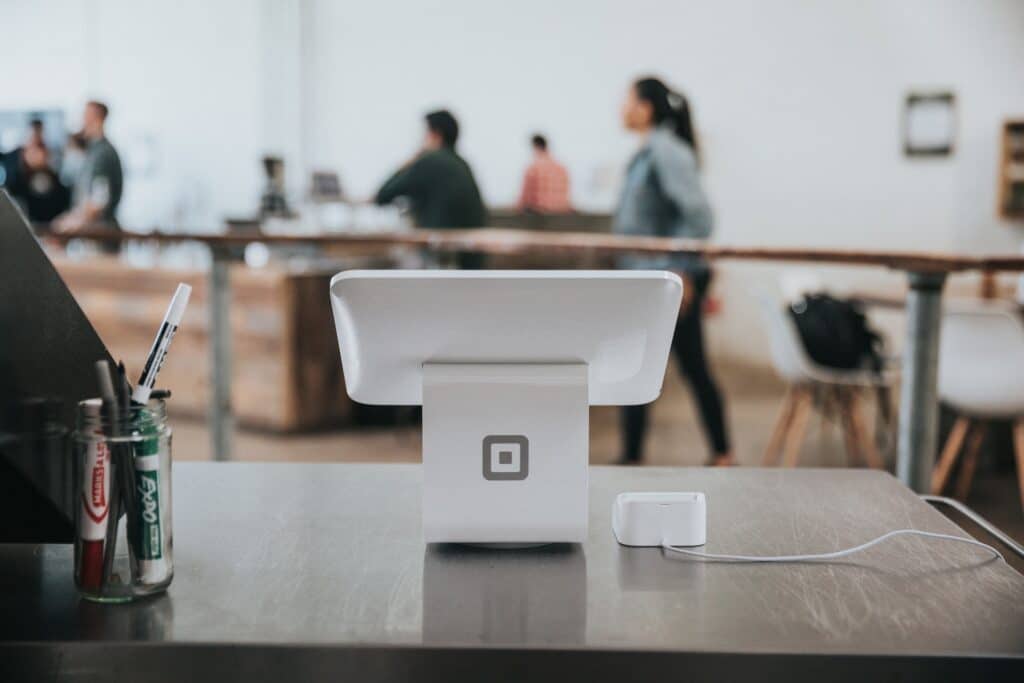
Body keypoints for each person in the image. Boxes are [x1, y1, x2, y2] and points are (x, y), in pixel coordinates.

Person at [614, 76, 733, 467]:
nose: (622, 108)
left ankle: (721, 452)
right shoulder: (650, 151)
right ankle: (634, 457)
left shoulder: (666, 150)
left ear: (645, 108)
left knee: (687, 367)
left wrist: (679, 272)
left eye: (627, 100)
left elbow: (699, 215)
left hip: (666, 282)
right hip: (650, 280)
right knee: (639, 367)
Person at [53, 100, 123, 233]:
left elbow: (99, 200)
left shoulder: (102, 153)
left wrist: (71, 222)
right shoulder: (92, 151)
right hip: (92, 233)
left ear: (96, 118)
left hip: (100, 235)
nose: (82, 120)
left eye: (85, 115)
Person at [517, 134, 570, 213]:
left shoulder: (534, 168)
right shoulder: (562, 168)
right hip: (561, 212)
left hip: (540, 214)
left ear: (535, 146)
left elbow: (525, 198)